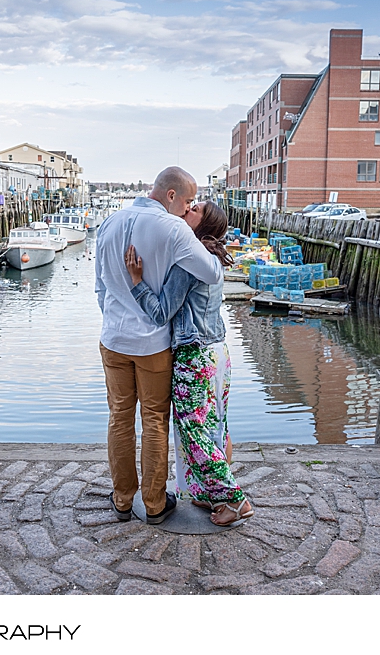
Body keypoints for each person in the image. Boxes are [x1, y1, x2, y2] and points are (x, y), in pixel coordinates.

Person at [94, 167, 224, 525]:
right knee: (154, 419)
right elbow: (211, 273)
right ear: (171, 196)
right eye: (188, 202)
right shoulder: (174, 229)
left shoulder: (110, 223)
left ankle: (122, 499)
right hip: (152, 343)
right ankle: (153, 502)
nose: (188, 209)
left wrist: (115, 318)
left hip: (113, 338)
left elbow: (101, 288)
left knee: (119, 417)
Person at [124, 201, 253, 526]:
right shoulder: (214, 257)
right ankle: (209, 491)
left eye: (195, 208)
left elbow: (160, 312)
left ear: (202, 223)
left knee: (194, 430)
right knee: (216, 426)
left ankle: (235, 500)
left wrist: (137, 282)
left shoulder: (189, 261)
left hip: (194, 355)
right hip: (217, 353)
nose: (187, 208)